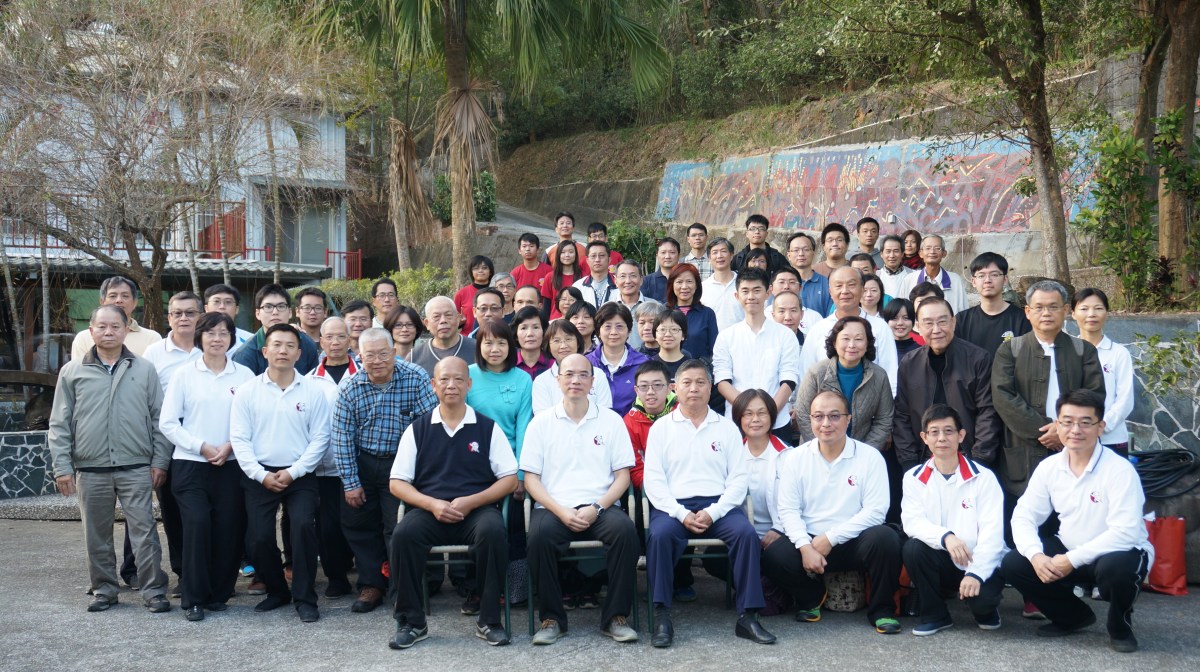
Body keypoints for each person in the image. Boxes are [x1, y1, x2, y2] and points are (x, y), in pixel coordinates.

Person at [1000, 390, 1153, 653]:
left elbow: (1125, 532)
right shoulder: (1050, 468)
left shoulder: (1120, 470)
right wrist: (1036, 556)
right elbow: (1024, 515)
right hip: (1069, 548)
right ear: (1057, 425)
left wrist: (1072, 559)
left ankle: (1120, 626)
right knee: (1014, 563)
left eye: (1085, 422)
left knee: (1119, 569)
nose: (1075, 430)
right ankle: (1072, 616)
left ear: (1100, 427)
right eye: (1067, 422)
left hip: (1118, 553)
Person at [643, 360, 777, 647]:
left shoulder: (726, 428)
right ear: (675, 388)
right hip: (673, 507)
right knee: (659, 535)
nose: (694, 388)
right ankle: (661, 614)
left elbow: (738, 480)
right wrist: (680, 513)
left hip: (718, 505)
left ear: (710, 387)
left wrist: (714, 512)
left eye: (700, 382)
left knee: (745, 534)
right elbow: (653, 481)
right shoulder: (661, 428)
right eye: (687, 382)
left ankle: (749, 615)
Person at [49, 305, 172, 614]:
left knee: (144, 533)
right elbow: (59, 423)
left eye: (115, 326)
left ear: (126, 329)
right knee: (96, 535)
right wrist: (62, 467)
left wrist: (160, 461)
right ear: (91, 331)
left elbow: (159, 418)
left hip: (136, 466)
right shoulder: (72, 371)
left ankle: (154, 590)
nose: (108, 332)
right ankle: (104, 589)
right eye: (101, 326)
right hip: (90, 468)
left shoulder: (144, 369)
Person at [387, 357, 518, 649]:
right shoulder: (418, 429)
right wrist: (431, 504)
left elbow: (509, 479)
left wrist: (472, 501)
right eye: (444, 379)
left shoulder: (487, 428)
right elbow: (397, 482)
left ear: (469, 384)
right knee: (403, 535)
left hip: (476, 510)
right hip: (430, 510)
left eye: (458, 379)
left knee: (493, 531)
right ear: (433, 385)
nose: (451, 385)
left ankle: (489, 620)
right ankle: (412, 621)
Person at [522, 353, 640, 645]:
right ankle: (551, 619)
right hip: (554, 507)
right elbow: (531, 479)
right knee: (538, 537)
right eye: (569, 374)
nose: (575, 380)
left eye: (583, 374)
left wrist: (597, 507)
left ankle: (615, 617)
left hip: (601, 505)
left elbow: (623, 476)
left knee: (625, 532)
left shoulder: (611, 421)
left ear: (593, 381)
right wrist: (561, 511)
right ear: (558, 380)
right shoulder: (541, 423)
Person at [763, 390, 902, 635]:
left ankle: (882, 610)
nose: (826, 423)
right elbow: (788, 510)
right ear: (810, 420)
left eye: (834, 416)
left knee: (886, 539)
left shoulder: (870, 457)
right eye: (818, 416)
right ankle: (812, 597)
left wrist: (831, 538)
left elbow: (876, 511)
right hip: (810, 542)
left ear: (849, 419)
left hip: (853, 541)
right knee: (774, 554)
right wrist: (805, 547)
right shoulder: (795, 458)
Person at [229, 324, 331, 623]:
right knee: (258, 539)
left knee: (303, 527)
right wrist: (260, 474)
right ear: (265, 351)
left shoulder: (313, 391)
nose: (282, 350)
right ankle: (277, 591)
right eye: (276, 345)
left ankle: (305, 597)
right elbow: (239, 438)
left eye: (289, 345)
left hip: (300, 474)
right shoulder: (248, 391)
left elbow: (320, 438)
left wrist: (294, 471)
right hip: (259, 474)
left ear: (299, 353)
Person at [332, 328, 437, 615]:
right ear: (359, 357)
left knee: (398, 526)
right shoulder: (349, 387)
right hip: (364, 460)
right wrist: (350, 482)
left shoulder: (415, 377)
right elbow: (341, 437)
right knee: (359, 524)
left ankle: (402, 587)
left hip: (403, 463)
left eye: (383, 354)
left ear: (393, 352)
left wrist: (419, 474)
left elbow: (429, 427)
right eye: (370, 356)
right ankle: (371, 584)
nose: (377, 361)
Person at [160, 311, 255, 621]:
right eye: (211, 333)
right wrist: (200, 445)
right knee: (197, 524)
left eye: (223, 333)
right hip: (190, 464)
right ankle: (194, 598)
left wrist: (230, 445)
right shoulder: (184, 374)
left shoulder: (244, 375)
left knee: (229, 528)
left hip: (232, 464)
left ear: (232, 338)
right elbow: (168, 422)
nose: (217, 339)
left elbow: (254, 420)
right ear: (200, 337)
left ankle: (219, 594)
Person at [992, 280, 1105, 502]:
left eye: (1053, 306)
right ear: (1027, 312)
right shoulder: (1010, 350)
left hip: (1073, 446)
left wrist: (1063, 430)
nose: (1046, 313)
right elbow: (1003, 396)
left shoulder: (1083, 351)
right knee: (1027, 512)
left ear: (1065, 310)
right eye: (1039, 307)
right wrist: (1045, 430)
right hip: (1023, 452)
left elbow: (1094, 396)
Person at [901, 404, 1007, 636]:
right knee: (913, 548)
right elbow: (912, 522)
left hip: (979, 559)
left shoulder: (984, 478)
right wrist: (946, 537)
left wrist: (975, 573)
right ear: (924, 438)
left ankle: (986, 608)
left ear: (961, 435)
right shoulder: (913, 477)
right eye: (934, 432)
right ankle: (935, 615)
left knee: (983, 606)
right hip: (943, 557)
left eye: (949, 431)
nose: (942, 438)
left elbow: (992, 535)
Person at [468, 319, 535, 611]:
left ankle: (516, 590)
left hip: (510, 464)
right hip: (474, 463)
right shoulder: (468, 375)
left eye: (501, 343)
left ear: (511, 346)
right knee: (477, 527)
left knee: (516, 526)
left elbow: (524, 428)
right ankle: (477, 589)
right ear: (479, 346)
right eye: (488, 343)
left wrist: (520, 474)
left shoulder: (523, 379)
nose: (494, 349)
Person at [141, 291, 204, 595]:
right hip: (168, 443)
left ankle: (213, 573)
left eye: (190, 312)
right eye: (177, 313)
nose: (183, 318)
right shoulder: (154, 354)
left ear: (200, 316)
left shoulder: (214, 347)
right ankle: (183, 572)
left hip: (209, 443)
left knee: (209, 514)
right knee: (174, 513)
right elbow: (145, 402)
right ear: (168, 317)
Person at [894, 298, 999, 470]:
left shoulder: (978, 359)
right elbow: (902, 415)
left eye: (942, 321)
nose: (936, 330)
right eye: (928, 323)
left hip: (969, 456)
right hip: (923, 458)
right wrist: (909, 462)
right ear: (918, 327)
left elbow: (987, 412)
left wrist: (980, 460)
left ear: (953, 322)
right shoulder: (909, 363)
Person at [305, 318, 359, 601]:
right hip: (324, 465)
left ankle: (370, 577)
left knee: (358, 522)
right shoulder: (308, 380)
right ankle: (336, 578)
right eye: (329, 337)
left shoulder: (363, 373)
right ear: (321, 341)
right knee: (327, 526)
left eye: (341, 337)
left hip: (358, 463)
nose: (335, 343)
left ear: (350, 340)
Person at [713, 269, 801, 442]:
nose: (751, 296)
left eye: (757, 290)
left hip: (777, 421)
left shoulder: (785, 335)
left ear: (768, 293)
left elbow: (789, 379)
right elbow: (722, 381)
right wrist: (748, 412)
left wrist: (768, 412)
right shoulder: (726, 336)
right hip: (737, 421)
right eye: (745, 291)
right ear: (737, 296)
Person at [794, 315, 893, 449]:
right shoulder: (816, 373)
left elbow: (884, 419)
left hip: (862, 450)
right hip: (818, 451)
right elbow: (803, 415)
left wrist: (865, 452)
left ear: (867, 343)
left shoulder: (879, 375)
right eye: (845, 339)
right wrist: (825, 449)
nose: (852, 345)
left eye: (858, 339)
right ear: (835, 343)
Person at [801, 266, 899, 395]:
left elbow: (890, 372)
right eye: (838, 286)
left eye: (851, 285)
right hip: (827, 403)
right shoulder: (818, 329)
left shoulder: (880, 327)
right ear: (830, 292)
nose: (845, 291)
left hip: (871, 402)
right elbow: (805, 374)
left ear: (862, 290)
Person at [1071, 289, 1134, 456]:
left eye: (1098, 308)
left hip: (1111, 438)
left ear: (1107, 313)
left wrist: (1101, 426)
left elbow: (1125, 400)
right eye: (1084, 309)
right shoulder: (1066, 352)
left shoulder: (1119, 353)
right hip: (1073, 437)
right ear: (1073, 314)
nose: (1091, 314)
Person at [232, 284, 321, 375]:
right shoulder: (244, 354)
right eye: (268, 307)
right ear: (258, 314)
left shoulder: (307, 344)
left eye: (281, 306)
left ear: (290, 312)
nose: (275, 312)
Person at [70, 276, 162, 360]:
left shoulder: (152, 338)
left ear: (134, 303)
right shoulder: (84, 338)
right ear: (102, 302)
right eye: (113, 296)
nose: (119, 300)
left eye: (125, 296)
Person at [955, 252, 1031, 353]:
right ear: (973, 281)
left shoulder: (1022, 319)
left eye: (994, 275)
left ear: (1005, 279)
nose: (987, 280)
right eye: (981, 276)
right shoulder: (962, 320)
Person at [532, 320, 613, 413]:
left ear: (578, 342)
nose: (563, 346)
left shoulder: (597, 374)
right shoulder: (541, 381)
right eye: (556, 341)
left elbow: (605, 413)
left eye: (568, 339)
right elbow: (542, 418)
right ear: (548, 346)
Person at [587, 303, 650, 416]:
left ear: (629, 331)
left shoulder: (644, 364)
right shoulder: (585, 364)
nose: (613, 332)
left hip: (631, 425)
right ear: (598, 331)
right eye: (607, 326)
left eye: (619, 326)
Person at [898, 235, 969, 314]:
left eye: (937, 248)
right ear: (920, 253)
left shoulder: (955, 280)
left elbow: (964, 313)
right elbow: (902, 311)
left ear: (944, 253)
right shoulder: (909, 279)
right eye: (928, 248)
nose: (932, 252)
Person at [411, 296, 477, 375]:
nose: (443, 320)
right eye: (436, 317)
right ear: (427, 323)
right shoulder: (414, 357)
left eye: (448, 315)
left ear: (458, 319)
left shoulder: (478, 349)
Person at [665, 263, 718, 361]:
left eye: (689, 281)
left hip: (699, 368)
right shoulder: (663, 312)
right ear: (672, 285)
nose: (684, 287)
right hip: (668, 368)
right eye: (679, 282)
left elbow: (714, 351)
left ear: (697, 285)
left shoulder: (707, 314)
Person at [786, 232, 834, 318]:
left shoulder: (827, 284)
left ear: (813, 253)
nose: (801, 254)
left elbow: (831, 317)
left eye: (806, 249)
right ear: (789, 255)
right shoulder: (781, 283)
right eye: (796, 250)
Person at [702, 237, 743, 331]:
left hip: (741, 337)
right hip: (713, 338)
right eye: (715, 252)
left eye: (723, 251)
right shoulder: (703, 287)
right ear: (709, 258)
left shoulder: (743, 284)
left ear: (731, 255)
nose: (719, 256)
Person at [204, 284, 255, 356]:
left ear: (237, 309)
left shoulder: (250, 341)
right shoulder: (194, 340)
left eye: (228, 302)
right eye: (216, 301)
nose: (222, 307)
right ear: (206, 308)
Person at [454, 255, 495, 335]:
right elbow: (453, 321)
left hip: (494, 336)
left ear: (490, 271)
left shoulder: (497, 292)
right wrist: (459, 323)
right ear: (471, 272)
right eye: (476, 268)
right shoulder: (461, 293)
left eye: (484, 268)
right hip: (468, 337)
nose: (480, 271)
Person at [544, 242, 583, 319]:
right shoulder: (550, 277)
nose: (567, 255)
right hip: (555, 320)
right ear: (558, 255)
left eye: (571, 252)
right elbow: (546, 305)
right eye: (563, 252)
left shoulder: (583, 277)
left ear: (576, 255)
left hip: (577, 319)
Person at [651, 310, 692, 381]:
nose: (668, 334)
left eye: (674, 329)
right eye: (662, 329)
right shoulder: (648, 365)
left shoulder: (692, 366)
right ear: (655, 335)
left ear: (683, 335)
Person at [511, 306, 552, 378]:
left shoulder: (554, 364)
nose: (530, 333)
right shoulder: (508, 365)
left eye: (535, 327)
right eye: (523, 328)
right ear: (516, 334)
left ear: (544, 332)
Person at [574, 241, 617, 307]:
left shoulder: (619, 285)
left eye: (602, 255)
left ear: (609, 259)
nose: (597, 260)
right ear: (587, 260)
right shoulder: (578, 286)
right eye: (593, 256)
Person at [640, 237, 681, 303]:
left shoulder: (686, 280)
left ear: (679, 255)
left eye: (672, 252)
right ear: (657, 255)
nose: (667, 256)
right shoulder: (646, 281)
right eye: (663, 252)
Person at [877, 235, 915, 299]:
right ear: (881, 254)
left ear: (902, 254)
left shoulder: (913, 275)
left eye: (896, 251)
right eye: (888, 251)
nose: (892, 255)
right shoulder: (876, 276)